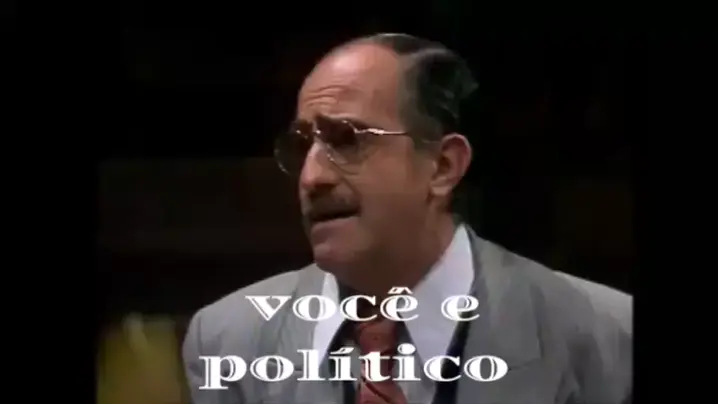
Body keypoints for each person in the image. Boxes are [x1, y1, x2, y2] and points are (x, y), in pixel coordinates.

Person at [182, 33, 632, 404]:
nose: (311, 177)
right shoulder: (228, 338)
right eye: (303, 146)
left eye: (347, 139)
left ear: (442, 167)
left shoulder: (607, 335)